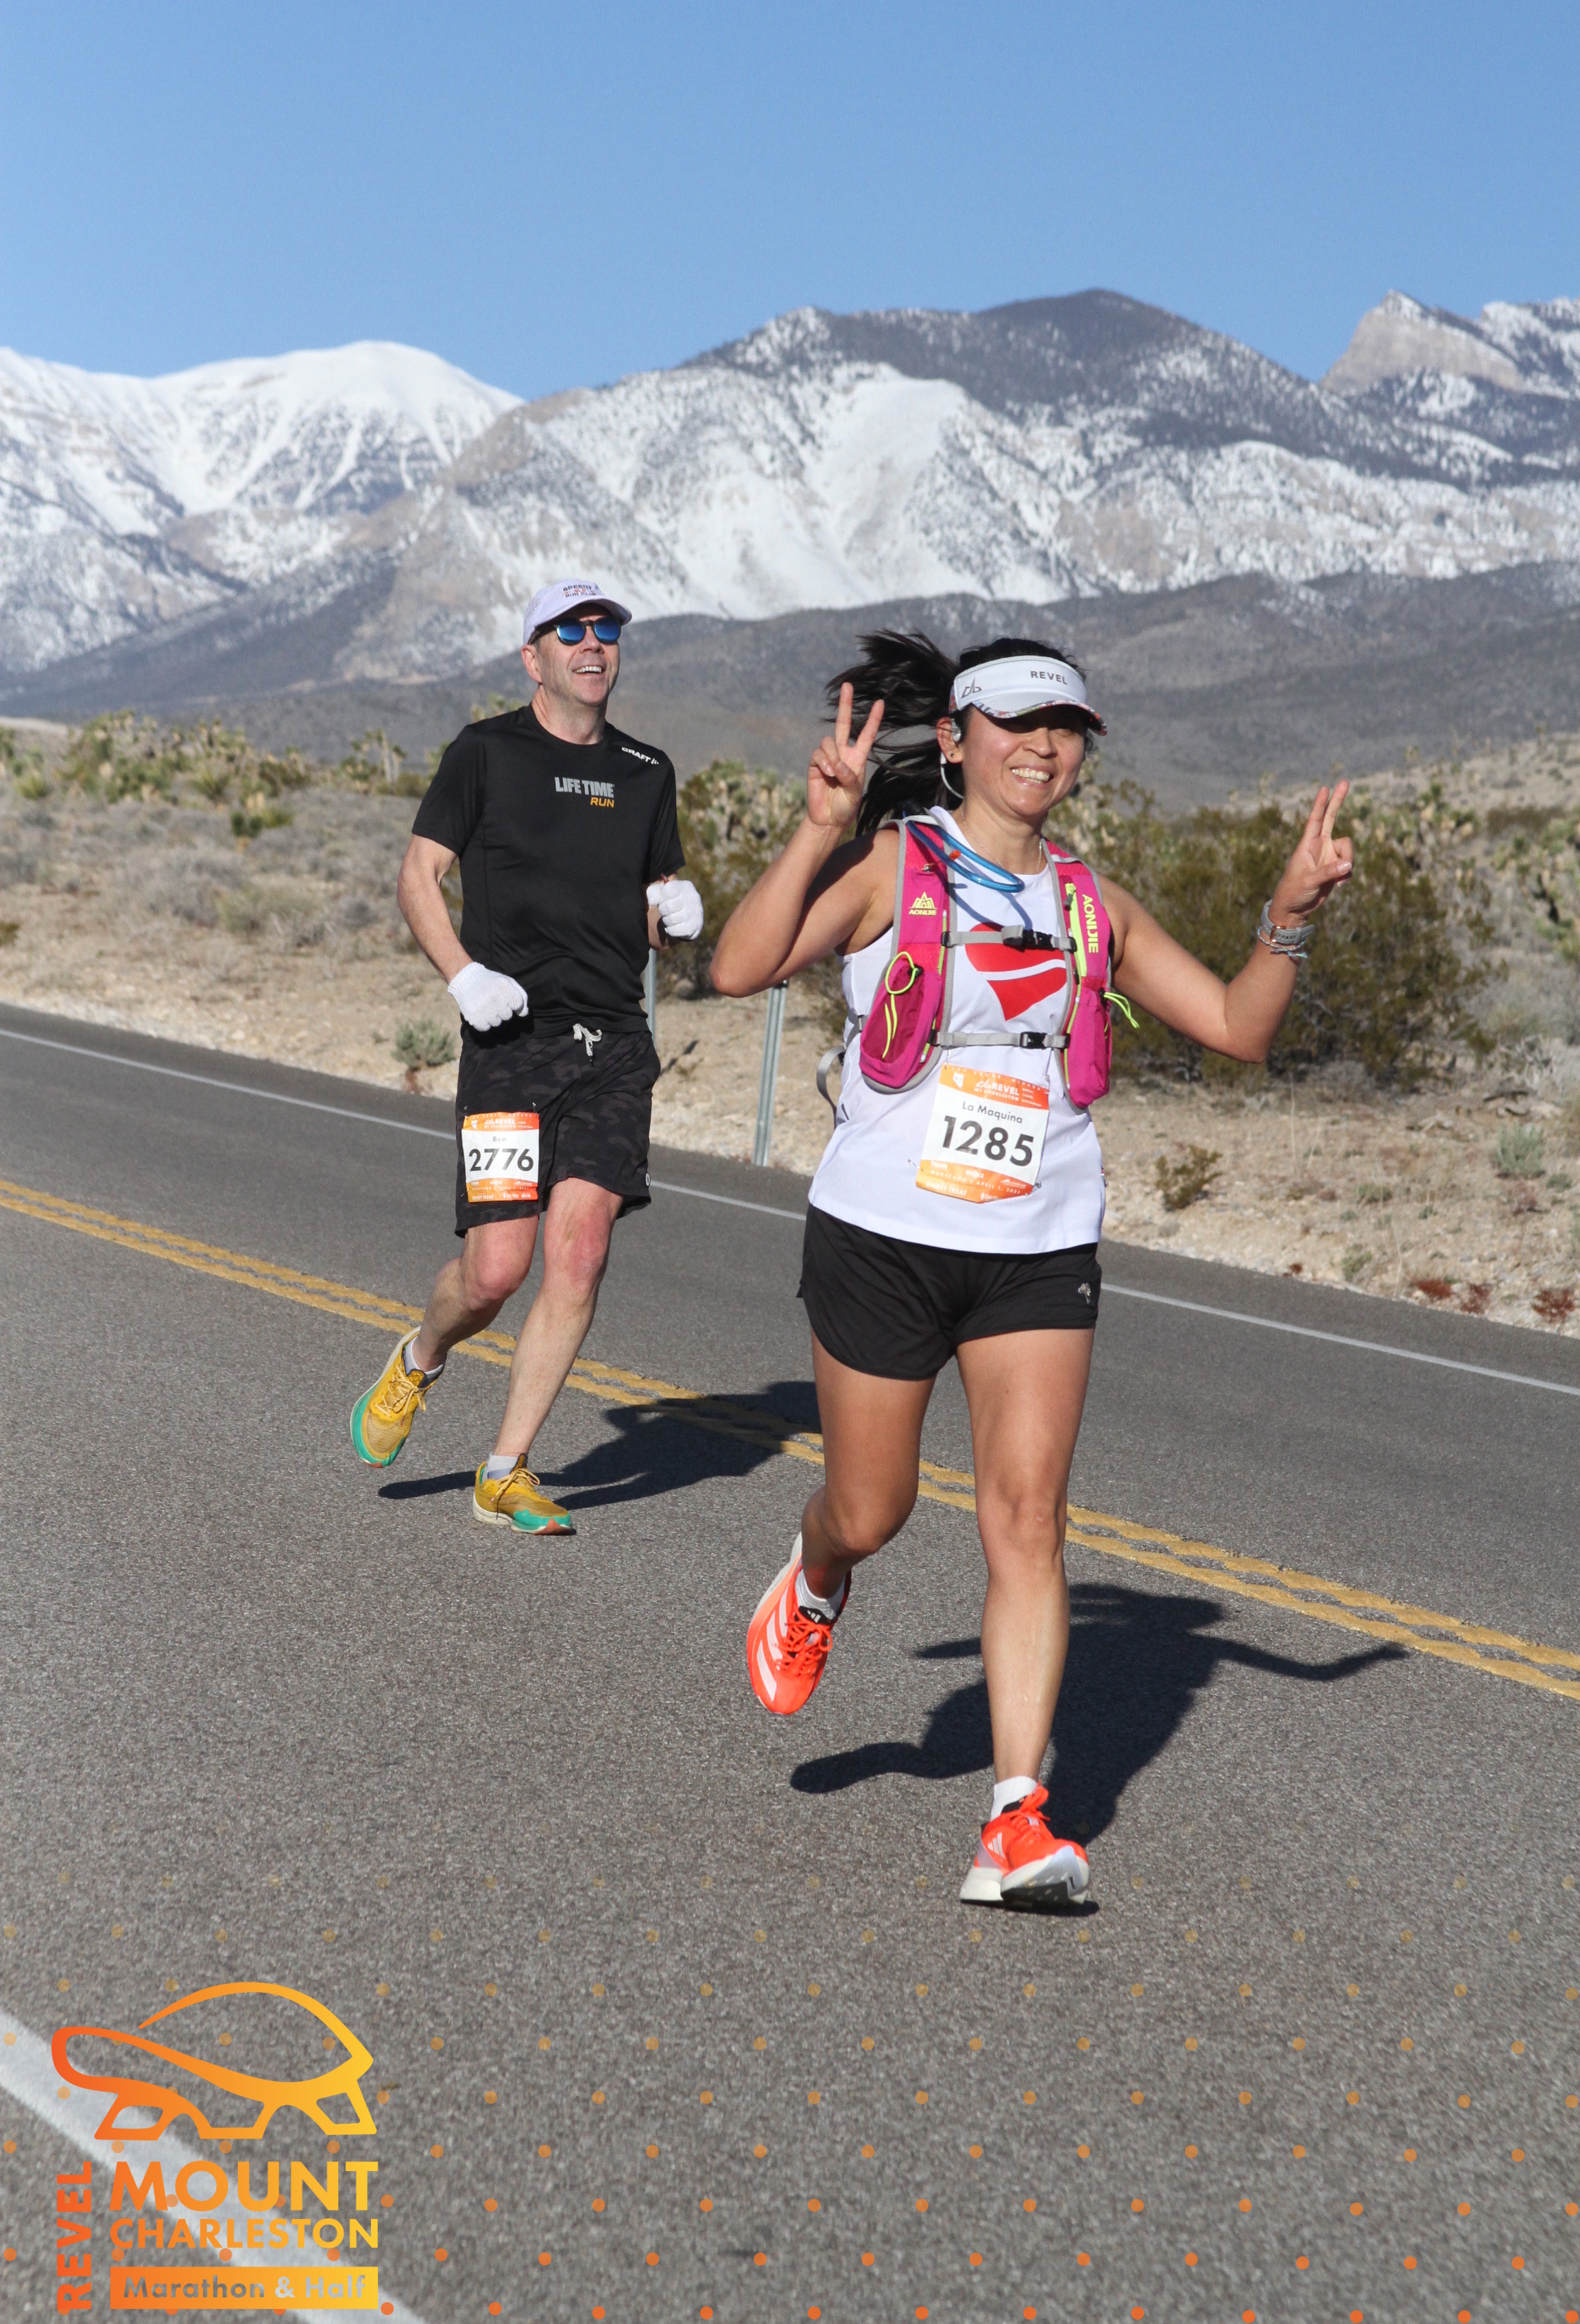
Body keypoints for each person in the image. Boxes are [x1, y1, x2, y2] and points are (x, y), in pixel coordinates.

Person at [710, 632, 1352, 1908]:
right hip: (883, 1236)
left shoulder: (1092, 904)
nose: (1044, 745)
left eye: (1065, 726)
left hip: (1038, 1244)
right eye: (1015, 721)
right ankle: (820, 1573)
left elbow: (1237, 1029)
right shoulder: (895, 867)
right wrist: (821, 830)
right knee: (872, 1510)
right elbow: (737, 969)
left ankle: (1015, 1819)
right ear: (955, 740)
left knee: (1027, 1520)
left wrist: (1288, 916)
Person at [349, 577, 704, 1532]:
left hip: (614, 1046)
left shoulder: (646, 770)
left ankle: (505, 1469)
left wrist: (674, 909)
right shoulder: (486, 752)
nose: (594, 643)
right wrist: (463, 975)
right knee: (495, 1272)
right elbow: (419, 875)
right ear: (532, 655)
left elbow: (650, 901)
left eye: (608, 629)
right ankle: (420, 1359)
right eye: (571, 629)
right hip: (512, 1043)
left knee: (579, 1254)